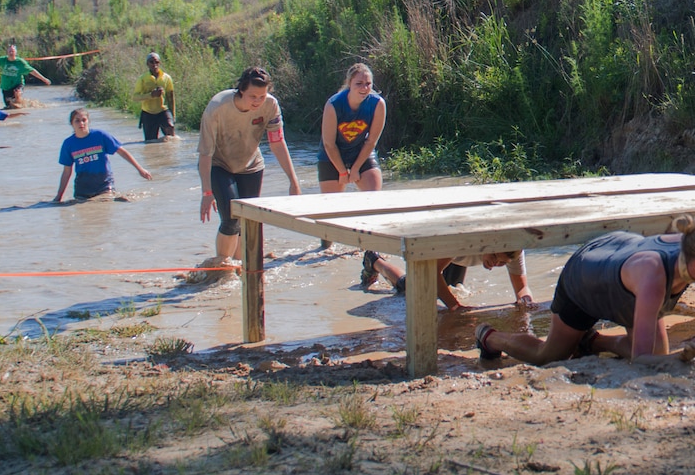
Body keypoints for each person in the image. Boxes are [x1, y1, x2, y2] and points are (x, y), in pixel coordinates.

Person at [476, 216, 695, 365]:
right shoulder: (653, 280)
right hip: (584, 280)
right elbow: (642, 361)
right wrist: (682, 358)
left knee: (656, 353)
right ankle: (490, 337)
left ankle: (591, 341)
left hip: (617, 262)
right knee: (549, 356)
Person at [197, 66, 302, 264]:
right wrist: (206, 192)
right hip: (219, 165)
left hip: (251, 166)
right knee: (230, 218)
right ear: (241, 90)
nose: (257, 101)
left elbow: (277, 142)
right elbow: (205, 153)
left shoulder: (271, 105)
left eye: (262, 96)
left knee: (248, 221)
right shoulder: (217, 106)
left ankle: (241, 270)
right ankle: (221, 269)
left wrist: (293, 181)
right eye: (252, 96)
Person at [317, 62, 385, 265]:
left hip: (361, 154)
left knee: (373, 200)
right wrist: (342, 171)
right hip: (331, 156)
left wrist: (355, 168)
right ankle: (325, 250)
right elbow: (329, 143)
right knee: (331, 211)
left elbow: (371, 140)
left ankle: (371, 248)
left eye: (368, 84)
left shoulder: (377, 103)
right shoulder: (334, 104)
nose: (364, 88)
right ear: (349, 84)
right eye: (359, 83)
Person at [366, 249, 533, 310]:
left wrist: (525, 301)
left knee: (454, 289)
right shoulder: (466, 241)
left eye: (502, 263)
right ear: (490, 243)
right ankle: (375, 261)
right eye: (495, 256)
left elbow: (522, 288)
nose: (496, 263)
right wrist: (456, 308)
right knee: (410, 288)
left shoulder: (514, 251)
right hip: (443, 250)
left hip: (458, 258)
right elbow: (432, 273)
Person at [54, 107, 152, 202]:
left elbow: (122, 151)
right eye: (77, 120)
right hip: (82, 187)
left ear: (89, 121)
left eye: (84, 120)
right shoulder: (68, 144)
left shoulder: (100, 136)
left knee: (104, 208)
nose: (81, 123)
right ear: (71, 123)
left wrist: (140, 169)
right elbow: (67, 172)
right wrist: (59, 196)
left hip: (104, 184)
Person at [0, 41, 50, 108]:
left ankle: (21, 105)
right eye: (10, 51)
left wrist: (44, 79)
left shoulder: (20, 62)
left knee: (17, 92)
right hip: (6, 87)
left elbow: (32, 71)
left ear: (16, 53)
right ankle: (23, 105)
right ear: (7, 52)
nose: (11, 53)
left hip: (17, 84)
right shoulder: (3, 60)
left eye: (13, 51)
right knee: (10, 107)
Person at [135, 53, 178, 142]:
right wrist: (151, 95)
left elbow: (171, 97)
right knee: (150, 142)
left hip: (163, 110)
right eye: (151, 62)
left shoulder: (166, 78)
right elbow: (135, 97)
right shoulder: (142, 78)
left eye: (156, 62)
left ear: (159, 63)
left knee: (170, 130)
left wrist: (173, 116)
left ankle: (171, 154)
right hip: (148, 113)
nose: (154, 64)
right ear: (147, 64)